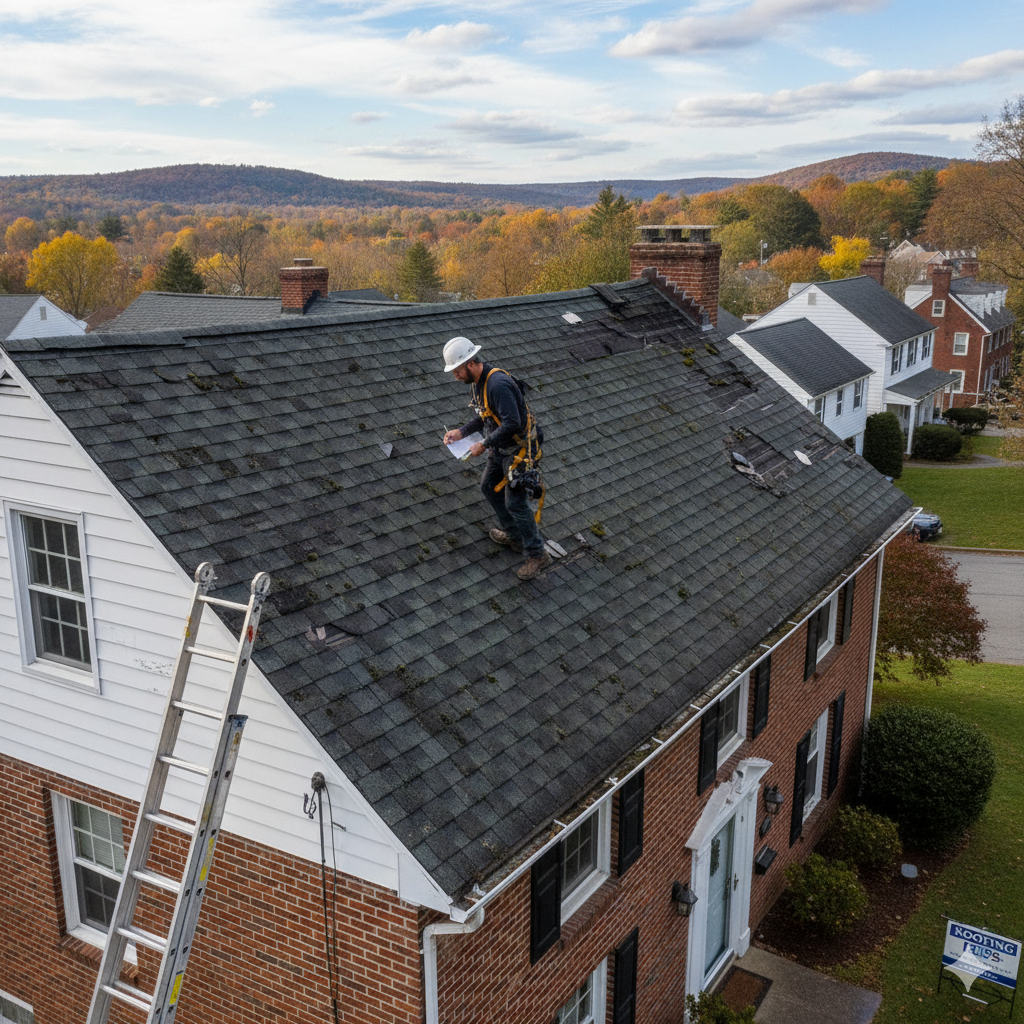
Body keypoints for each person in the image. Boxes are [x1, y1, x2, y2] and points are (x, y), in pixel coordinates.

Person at [441, 336, 551, 581]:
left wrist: (484, 443)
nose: (455, 375)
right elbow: (485, 417)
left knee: (516, 503)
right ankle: (515, 536)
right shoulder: (477, 383)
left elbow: (513, 423)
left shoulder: (497, 384)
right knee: (488, 486)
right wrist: (462, 432)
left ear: (470, 363)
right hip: (501, 447)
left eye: (457, 370)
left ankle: (537, 554)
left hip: (520, 450)